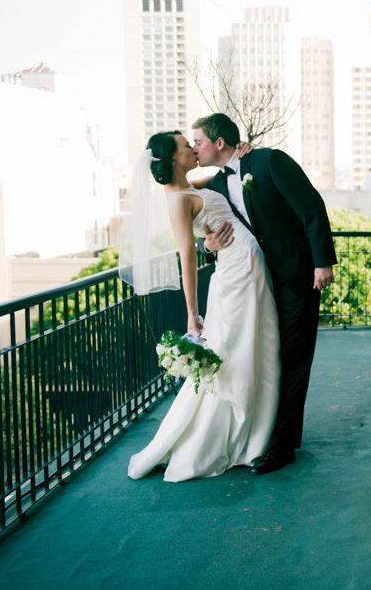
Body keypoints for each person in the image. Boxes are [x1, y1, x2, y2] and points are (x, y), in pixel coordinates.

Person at [123, 131, 280, 482]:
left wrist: (241, 153)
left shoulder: (194, 185)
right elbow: (187, 257)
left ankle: (257, 430)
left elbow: (226, 174)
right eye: (185, 145)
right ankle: (228, 438)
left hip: (248, 264)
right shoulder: (177, 200)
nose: (193, 148)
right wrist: (191, 313)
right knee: (237, 350)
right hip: (236, 273)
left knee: (256, 344)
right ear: (173, 158)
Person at [193, 113, 336, 475]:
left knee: (293, 357)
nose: (195, 148)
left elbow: (311, 206)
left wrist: (322, 262)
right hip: (258, 284)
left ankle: (282, 446)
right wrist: (208, 245)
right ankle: (264, 433)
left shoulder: (269, 161)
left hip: (296, 277)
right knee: (269, 356)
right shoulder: (218, 186)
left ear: (219, 143)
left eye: (199, 141)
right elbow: (212, 228)